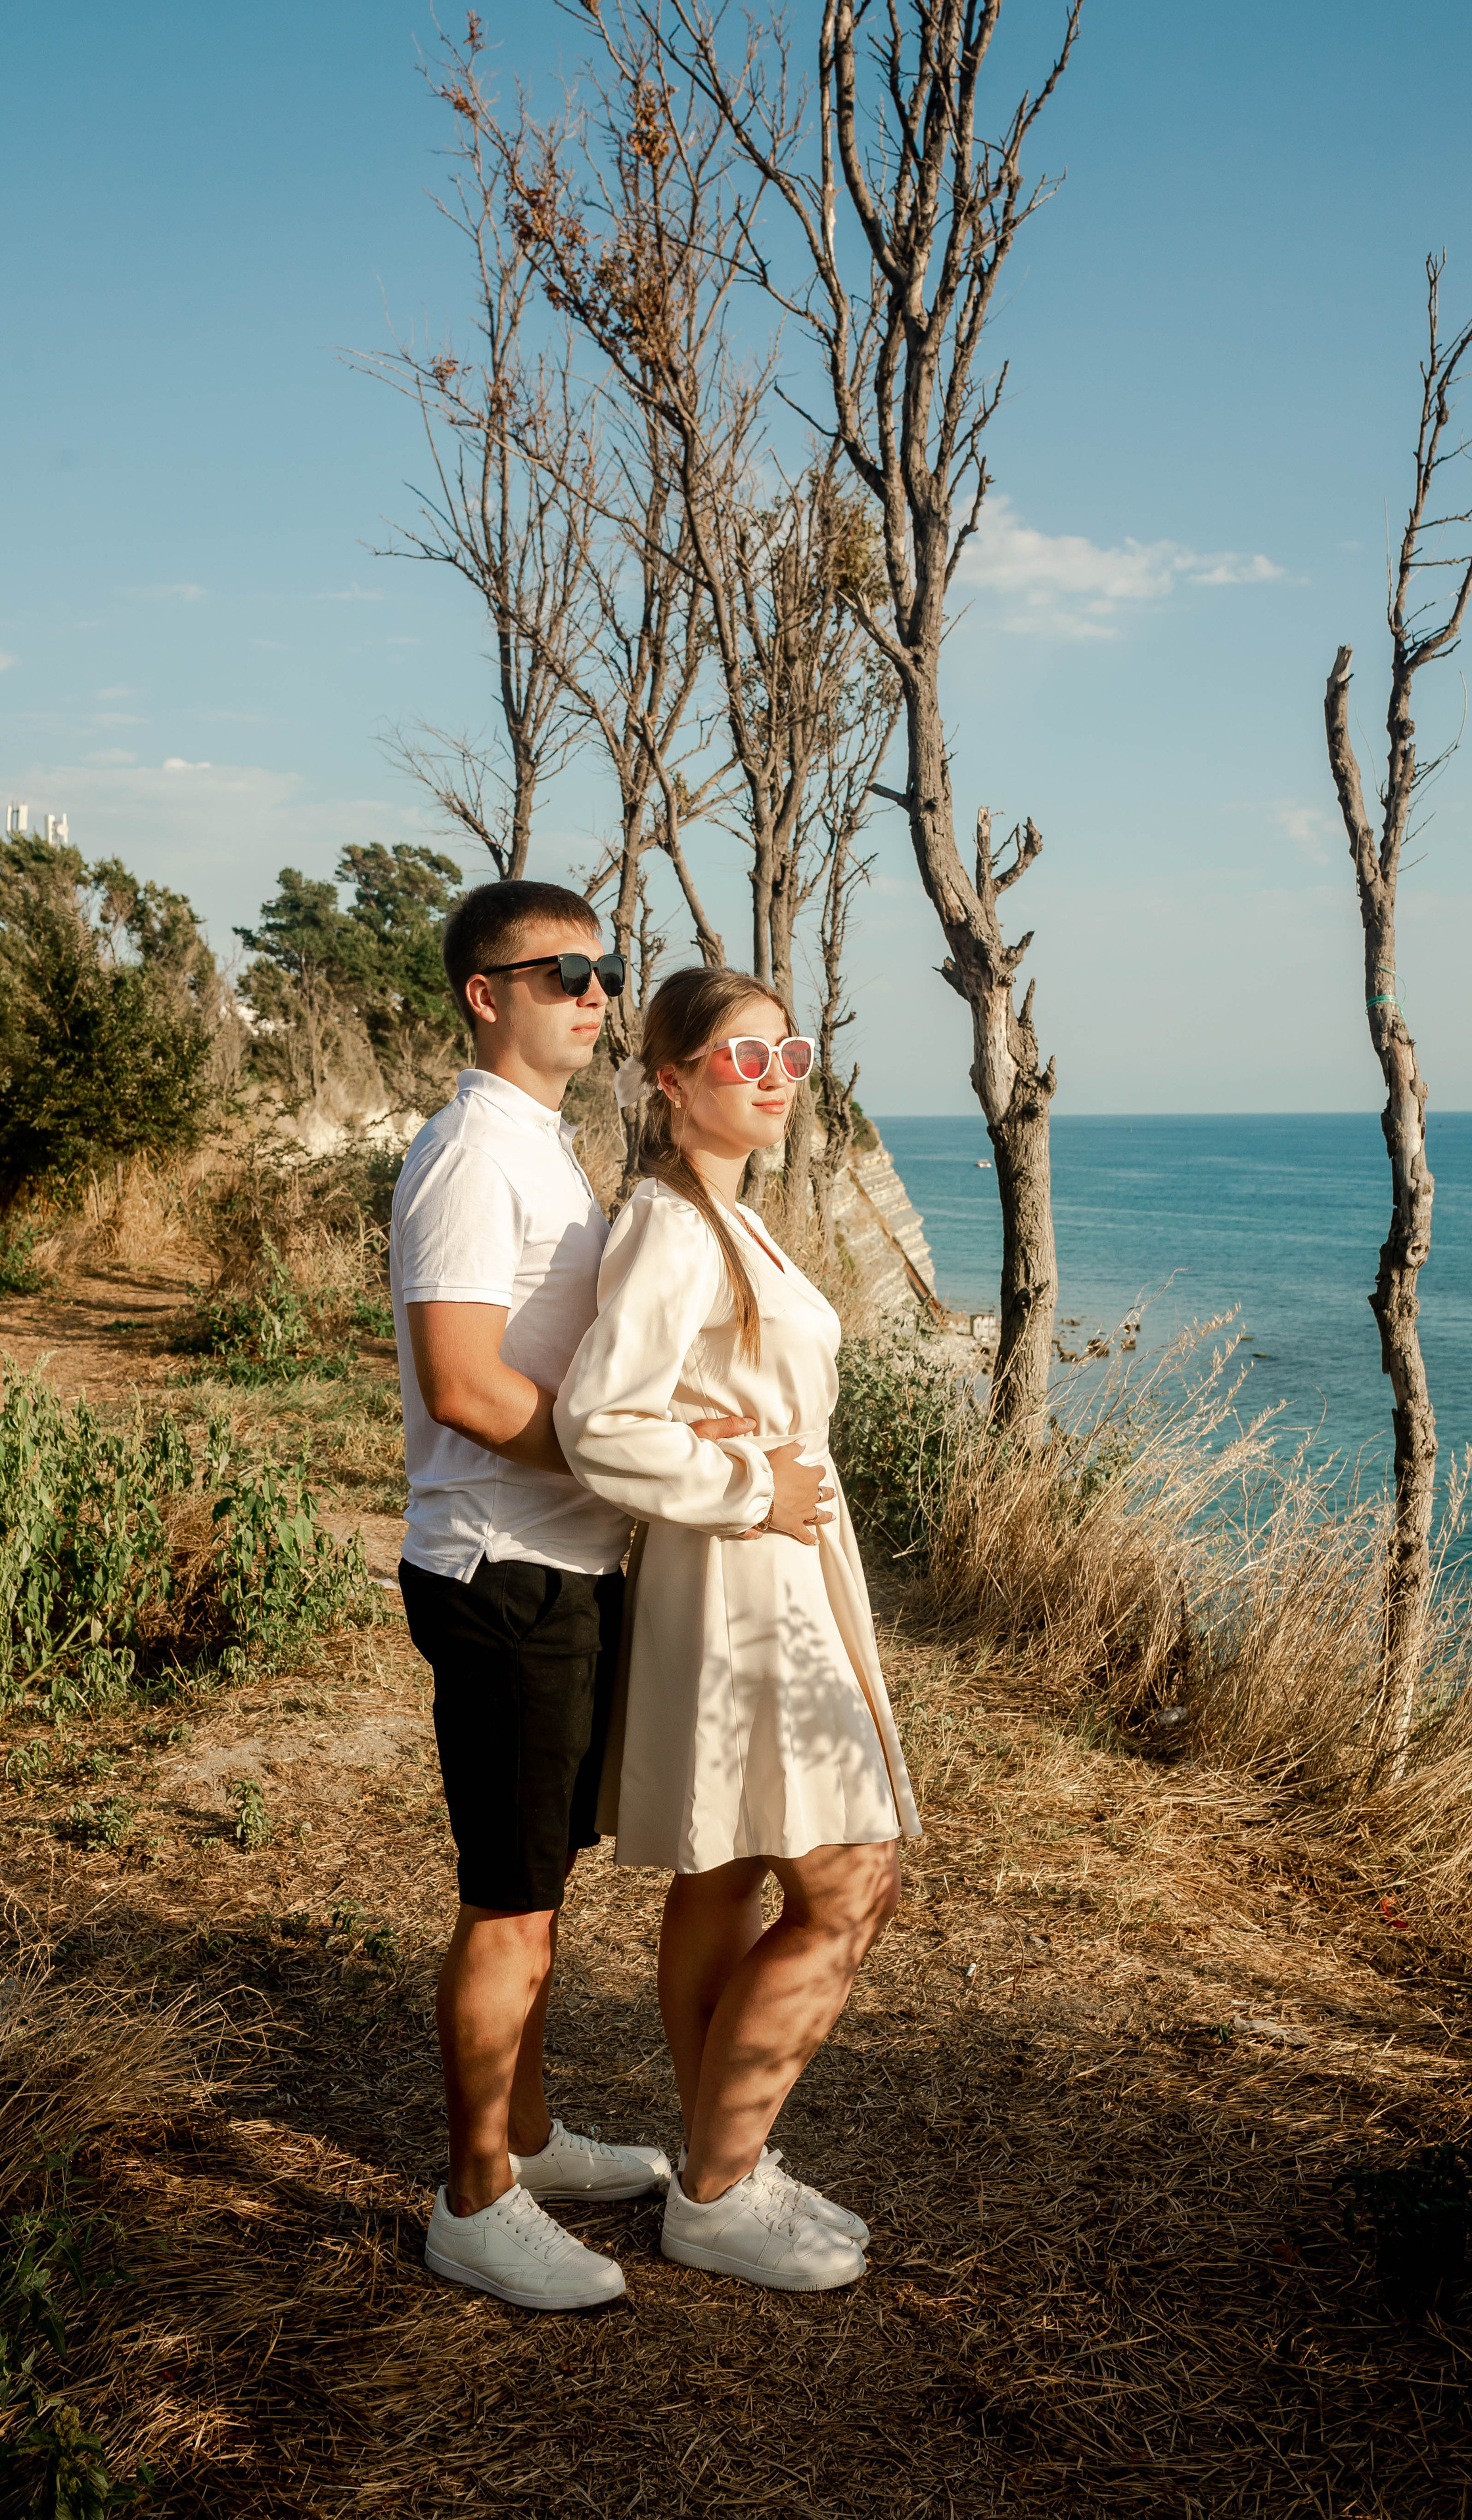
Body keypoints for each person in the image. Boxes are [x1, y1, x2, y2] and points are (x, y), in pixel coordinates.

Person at [393, 881, 740, 2314]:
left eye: (601, 973)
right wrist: (629, 1455)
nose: (594, 995)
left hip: (564, 1558)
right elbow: (463, 1386)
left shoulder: (541, 1147)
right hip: (501, 1565)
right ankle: (474, 2202)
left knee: (539, 1883)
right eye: (559, 974)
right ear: (485, 994)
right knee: (508, 1903)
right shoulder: (472, 1155)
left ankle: (526, 2142)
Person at [555, 965, 921, 2294]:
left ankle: (727, 2156)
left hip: (764, 1565)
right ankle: (711, 2190)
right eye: (741, 1058)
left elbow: (676, 1390)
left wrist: (739, 1454)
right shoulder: (667, 1220)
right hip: (742, 1574)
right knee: (848, 1883)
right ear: (669, 1080)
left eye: (789, 1056)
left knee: (724, 1869)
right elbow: (599, 1419)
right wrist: (746, 1481)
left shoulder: (719, 1212)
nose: (772, 1080)